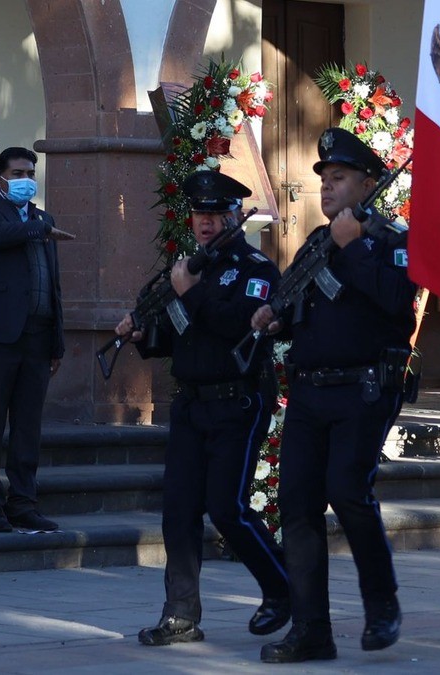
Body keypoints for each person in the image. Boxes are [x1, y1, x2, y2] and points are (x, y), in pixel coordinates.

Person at [251, 128, 414, 664]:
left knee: (347, 491)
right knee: (297, 505)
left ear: (368, 184)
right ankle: (311, 630)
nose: (326, 186)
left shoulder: (391, 242)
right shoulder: (317, 243)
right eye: (323, 178)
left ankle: (381, 602)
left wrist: (356, 246)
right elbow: (293, 302)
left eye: (339, 177)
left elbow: (397, 301)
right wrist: (273, 316)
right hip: (309, 392)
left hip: (363, 390)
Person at [115, 171, 290, 647]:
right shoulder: (191, 267)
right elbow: (178, 335)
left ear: (236, 216)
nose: (206, 222)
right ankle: (180, 614)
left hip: (238, 401)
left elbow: (239, 326)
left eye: (215, 214)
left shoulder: (254, 268)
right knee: (179, 510)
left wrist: (190, 291)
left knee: (227, 509)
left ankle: (283, 587)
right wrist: (143, 334)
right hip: (192, 405)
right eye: (199, 213)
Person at [0, 146, 72, 534]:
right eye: (17, 174)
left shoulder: (44, 219)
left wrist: (57, 340)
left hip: (38, 337)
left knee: (28, 427)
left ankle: (23, 502)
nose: (26, 180)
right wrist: (38, 229)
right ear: (0, 179)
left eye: (30, 174)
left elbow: (53, 284)